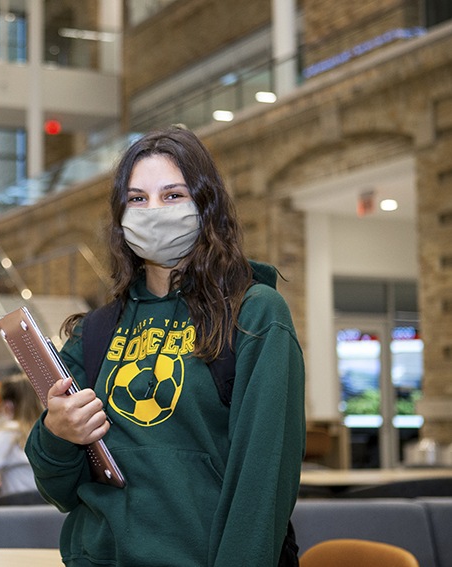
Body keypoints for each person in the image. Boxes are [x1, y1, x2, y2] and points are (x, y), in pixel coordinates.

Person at [25, 126, 305, 567]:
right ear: (121, 217)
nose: (153, 210)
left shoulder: (254, 316)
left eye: (172, 195)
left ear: (206, 206)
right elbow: (57, 489)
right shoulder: (97, 331)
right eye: (137, 199)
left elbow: (263, 482)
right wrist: (57, 434)